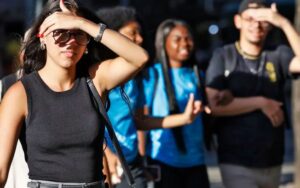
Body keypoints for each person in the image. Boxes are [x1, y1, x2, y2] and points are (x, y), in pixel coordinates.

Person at [0, 0, 148, 187]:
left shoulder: (96, 79)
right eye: (60, 32)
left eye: (78, 34)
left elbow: (140, 58)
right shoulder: (19, 93)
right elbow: (1, 169)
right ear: (42, 37)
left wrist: (82, 23)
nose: (70, 41)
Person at [96, 7, 204, 188]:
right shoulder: (97, 73)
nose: (140, 38)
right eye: (132, 33)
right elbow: (84, 121)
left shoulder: (136, 78)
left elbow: (139, 122)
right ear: (112, 35)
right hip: (101, 162)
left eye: (140, 32)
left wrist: (184, 118)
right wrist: (106, 154)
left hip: (132, 164)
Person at [205, 0, 300, 187]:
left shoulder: (278, 54)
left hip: (272, 160)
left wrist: (283, 23)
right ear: (238, 21)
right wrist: (260, 102)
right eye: (250, 19)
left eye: (262, 19)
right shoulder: (224, 56)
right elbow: (212, 106)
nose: (256, 25)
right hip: (236, 162)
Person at [142, 19, 211, 188]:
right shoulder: (152, 75)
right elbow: (141, 118)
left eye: (188, 38)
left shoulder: (197, 74)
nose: (185, 43)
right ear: (163, 43)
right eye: (177, 39)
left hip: (196, 160)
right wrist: (141, 158)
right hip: (163, 159)